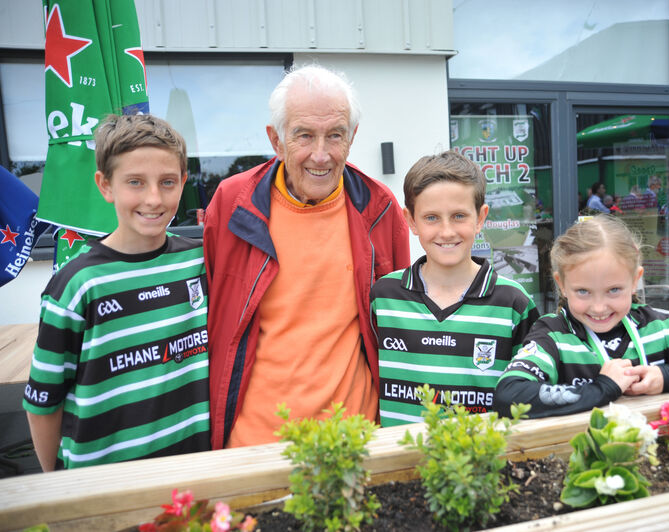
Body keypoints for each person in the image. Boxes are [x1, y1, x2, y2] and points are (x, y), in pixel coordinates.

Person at [203, 64, 410, 448]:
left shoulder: (379, 209)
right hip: (254, 445)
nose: (321, 155)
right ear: (277, 140)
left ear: (352, 137)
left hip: (354, 443)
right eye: (304, 136)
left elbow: (395, 325)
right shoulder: (232, 204)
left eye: (335, 135)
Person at [23, 114, 210, 470]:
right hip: (101, 485)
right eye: (135, 182)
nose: (154, 199)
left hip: (192, 476)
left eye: (167, 182)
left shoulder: (199, 262)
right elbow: (43, 403)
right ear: (105, 185)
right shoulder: (77, 285)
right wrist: (56, 486)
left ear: (184, 182)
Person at [494, 214, 669, 419]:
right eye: (583, 292)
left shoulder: (658, 327)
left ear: (635, 280)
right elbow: (508, 394)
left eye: (614, 290)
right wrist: (603, 388)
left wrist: (666, 376)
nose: (599, 308)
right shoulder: (552, 336)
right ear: (562, 285)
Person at [370, 150, 539, 426]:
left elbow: (531, 387)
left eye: (459, 216)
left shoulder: (513, 303)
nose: (446, 231)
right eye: (431, 218)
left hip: (478, 463)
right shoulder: (384, 296)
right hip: (398, 462)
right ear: (411, 220)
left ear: (481, 217)